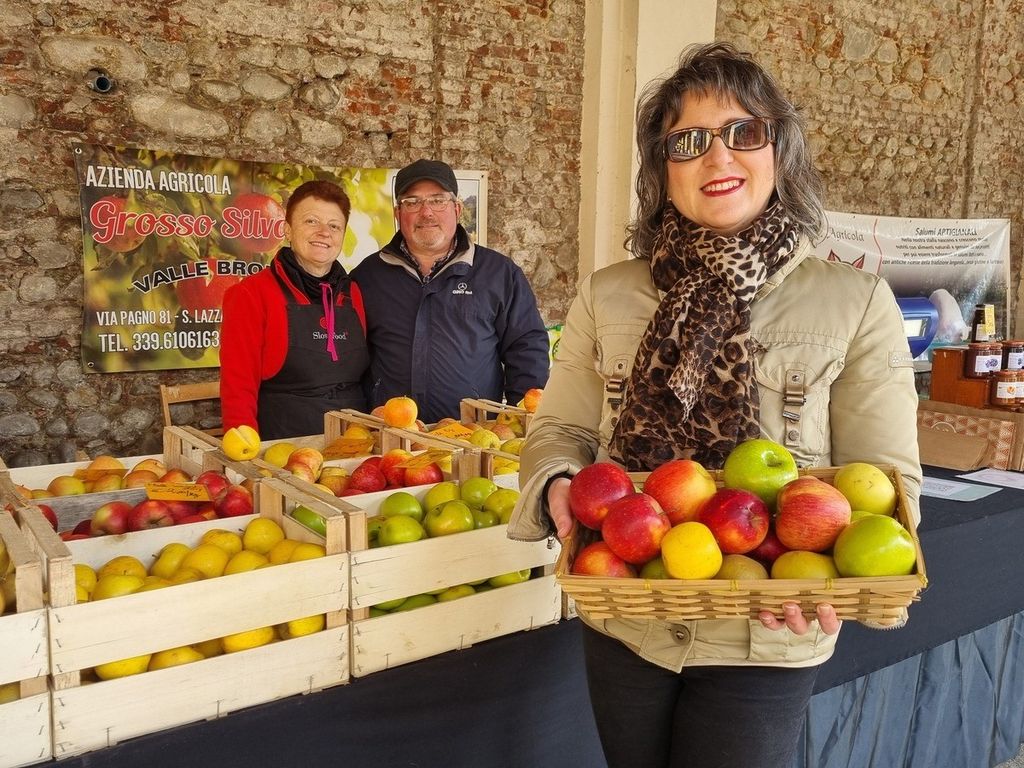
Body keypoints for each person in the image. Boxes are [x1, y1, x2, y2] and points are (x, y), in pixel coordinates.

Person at [507, 42, 922, 768]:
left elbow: (886, 479)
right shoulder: (608, 293)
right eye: (688, 141)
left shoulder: (855, 302)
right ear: (662, 170)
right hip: (628, 613)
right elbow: (561, 427)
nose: (718, 156)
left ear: (780, 151)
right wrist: (558, 483)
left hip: (770, 627)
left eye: (743, 131)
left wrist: (850, 579)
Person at [351, 158, 550, 423]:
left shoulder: (499, 273)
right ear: (398, 214)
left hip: (475, 433)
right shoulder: (368, 276)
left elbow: (527, 348)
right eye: (412, 202)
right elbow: (349, 358)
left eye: (438, 200)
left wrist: (522, 420)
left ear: (457, 209)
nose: (426, 212)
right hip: (391, 433)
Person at [220, 180, 369, 440]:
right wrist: (243, 449)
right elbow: (238, 386)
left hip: (355, 444)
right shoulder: (250, 294)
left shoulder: (353, 292)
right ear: (287, 229)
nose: (324, 232)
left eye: (334, 226)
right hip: (284, 447)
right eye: (311, 221)